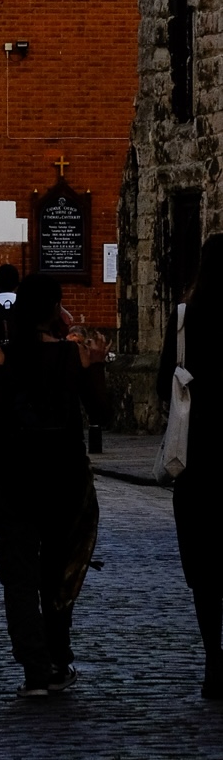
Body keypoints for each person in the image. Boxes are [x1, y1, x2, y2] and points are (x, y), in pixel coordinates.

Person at [0, 273, 108, 698]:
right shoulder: (72, 357)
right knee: (58, 572)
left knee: (19, 577)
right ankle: (58, 659)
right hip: (64, 477)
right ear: (54, 309)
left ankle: (35, 670)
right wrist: (96, 366)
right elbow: (101, 414)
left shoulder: (5, 356)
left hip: (17, 477)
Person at [158, 237, 223, 698]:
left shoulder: (184, 319)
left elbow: (165, 383)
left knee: (204, 572)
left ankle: (213, 663)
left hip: (197, 459)